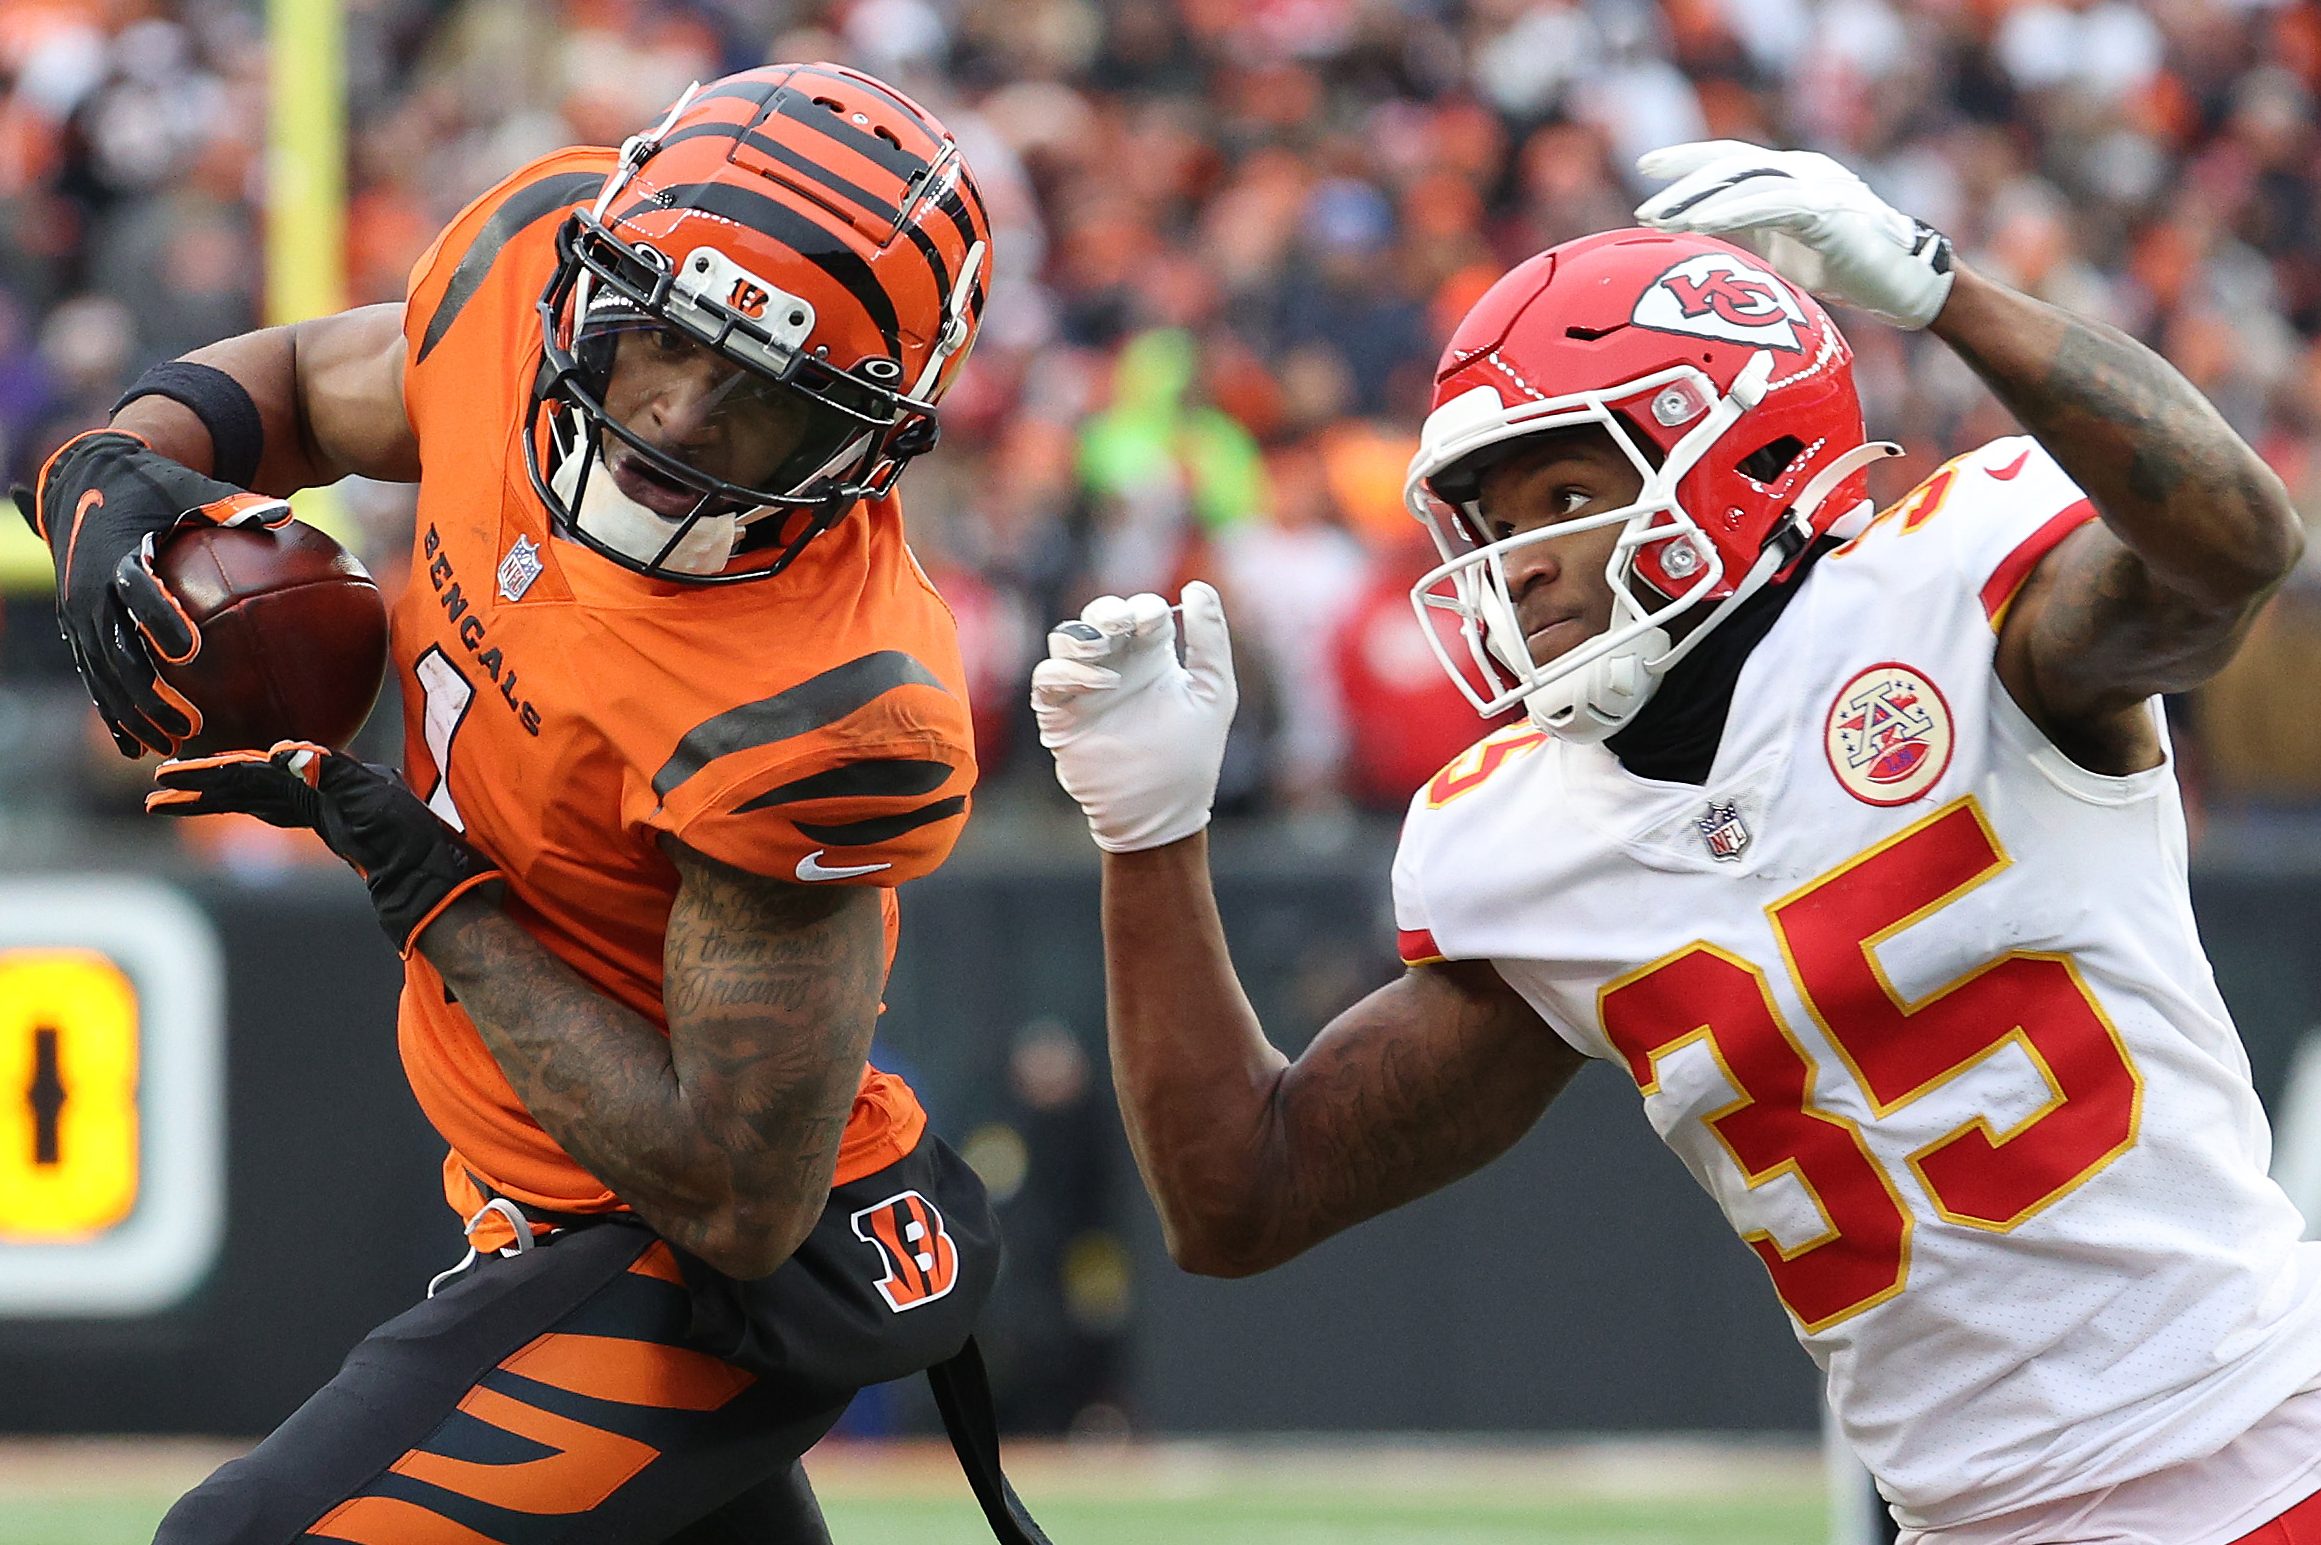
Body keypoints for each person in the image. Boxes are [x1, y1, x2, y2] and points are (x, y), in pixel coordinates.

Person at [1033, 140, 2321, 1544]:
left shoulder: (1960, 611)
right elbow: (1242, 1195)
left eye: (1561, 495)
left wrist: (1945, 296)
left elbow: (2234, 547)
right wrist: (1148, 832)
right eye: (1490, 516)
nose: (1511, 559)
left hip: (2260, 1448)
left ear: (1741, 454)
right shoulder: (1527, 837)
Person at [21, 63, 1047, 1545]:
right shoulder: (524, 274)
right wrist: (116, 470)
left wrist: (423, 878)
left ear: (862, 440)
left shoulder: (826, 700)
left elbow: (733, 1195)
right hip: (534, 1202)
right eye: (657, 345)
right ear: (599, 284)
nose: (674, 419)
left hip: (688, 1271)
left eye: (761, 400)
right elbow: (316, 381)